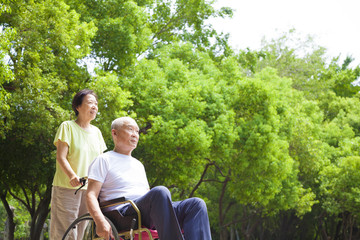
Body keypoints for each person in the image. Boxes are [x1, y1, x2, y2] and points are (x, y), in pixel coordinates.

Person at [86, 116, 212, 240]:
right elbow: (90, 195)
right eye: (130, 129)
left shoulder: (138, 164)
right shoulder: (104, 159)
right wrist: (100, 221)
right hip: (123, 213)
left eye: (137, 131)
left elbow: (147, 194)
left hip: (145, 209)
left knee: (196, 204)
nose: (135, 134)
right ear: (115, 133)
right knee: (160, 192)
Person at [50, 89, 107, 239]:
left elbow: (101, 163)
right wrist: (72, 176)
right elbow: (61, 157)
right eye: (90, 103)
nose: (94, 106)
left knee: (80, 233)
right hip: (66, 188)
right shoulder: (67, 126)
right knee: (65, 232)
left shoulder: (97, 133)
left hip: (89, 191)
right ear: (78, 106)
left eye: (96, 104)